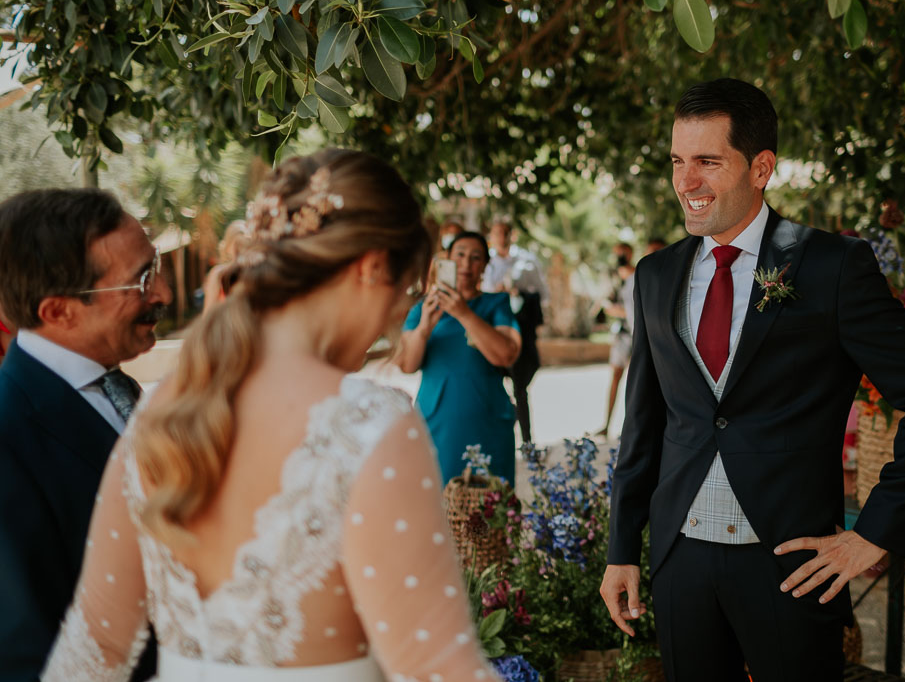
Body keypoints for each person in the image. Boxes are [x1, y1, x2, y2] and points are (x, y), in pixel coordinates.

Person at [40, 150, 503, 682]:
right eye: (402, 291)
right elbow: (438, 670)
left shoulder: (159, 411)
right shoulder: (370, 425)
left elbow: (94, 644)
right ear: (374, 266)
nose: (393, 317)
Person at [599, 79, 905, 681]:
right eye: (677, 162)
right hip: (679, 560)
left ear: (761, 167)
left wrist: (875, 533)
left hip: (790, 563)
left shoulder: (832, 266)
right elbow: (645, 423)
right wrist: (621, 552)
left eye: (708, 162)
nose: (686, 183)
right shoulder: (655, 275)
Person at [0, 188, 171, 682]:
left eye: (153, 266)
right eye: (140, 280)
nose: (162, 293)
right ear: (58, 312)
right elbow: (21, 650)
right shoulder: (9, 437)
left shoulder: (124, 391)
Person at [397, 231, 522, 485]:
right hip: (437, 421)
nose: (466, 263)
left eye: (476, 258)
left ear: (485, 267)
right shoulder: (423, 307)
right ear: (447, 260)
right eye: (460, 255)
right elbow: (406, 364)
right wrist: (424, 327)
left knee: (491, 506)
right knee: (436, 502)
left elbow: (506, 354)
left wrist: (463, 314)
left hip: (487, 419)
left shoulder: (497, 303)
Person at [482, 220, 548, 444]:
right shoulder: (484, 262)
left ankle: (527, 441)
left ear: (511, 235)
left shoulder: (527, 261)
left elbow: (542, 293)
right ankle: (499, 429)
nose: (501, 237)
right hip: (491, 330)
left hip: (519, 329)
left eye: (505, 232)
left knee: (520, 385)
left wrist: (518, 293)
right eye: (497, 232)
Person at [599, 242, 637, 438]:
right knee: (615, 378)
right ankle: (606, 425)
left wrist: (616, 311)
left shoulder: (636, 276)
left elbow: (634, 312)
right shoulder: (615, 278)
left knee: (635, 381)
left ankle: (630, 426)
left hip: (634, 334)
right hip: (621, 335)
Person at [199, 219, 247, 311]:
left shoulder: (254, 273)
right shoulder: (218, 273)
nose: (240, 249)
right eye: (236, 244)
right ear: (228, 247)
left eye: (244, 243)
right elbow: (208, 313)